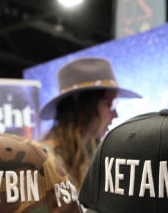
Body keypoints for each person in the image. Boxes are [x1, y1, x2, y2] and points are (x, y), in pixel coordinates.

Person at [39, 57, 141, 189]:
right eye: (109, 104)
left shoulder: (99, 158)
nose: (115, 115)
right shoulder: (44, 162)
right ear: (82, 106)